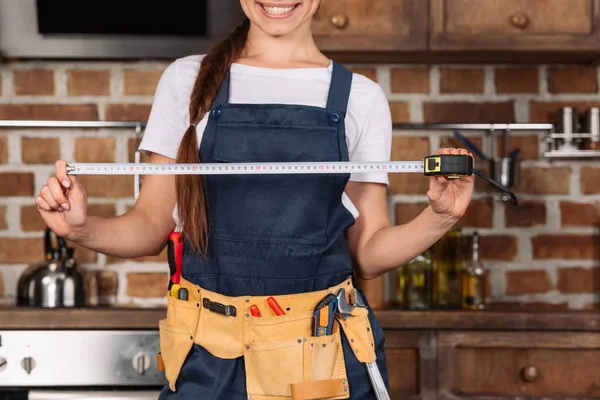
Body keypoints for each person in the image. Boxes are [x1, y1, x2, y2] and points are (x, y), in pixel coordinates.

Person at [35, 1, 474, 399]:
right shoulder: (186, 80)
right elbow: (150, 224)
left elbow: (368, 252)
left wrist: (440, 217)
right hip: (209, 355)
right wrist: (80, 228)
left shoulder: (361, 98)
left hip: (323, 358)